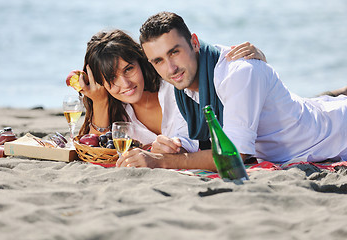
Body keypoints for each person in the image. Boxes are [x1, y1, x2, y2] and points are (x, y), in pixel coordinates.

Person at [116, 11, 347, 170]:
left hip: (335, 135)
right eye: (158, 60)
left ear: (194, 42)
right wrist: (171, 146)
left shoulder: (239, 74)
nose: (170, 68)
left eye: (174, 52)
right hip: (310, 114)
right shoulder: (181, 83)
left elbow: (233, 156)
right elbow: (192, 137)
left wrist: (160, 161)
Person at [76, 29, 266, 155]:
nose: (124, 83)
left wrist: (253, 60)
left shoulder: (175, 84)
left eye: (128, 69)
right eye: (111, 78)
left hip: (258, 145)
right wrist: (99, 101)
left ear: (141, 62)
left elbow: (201, 58)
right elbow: (93, 149)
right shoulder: (119, 114)